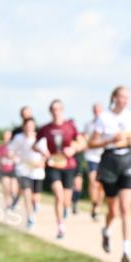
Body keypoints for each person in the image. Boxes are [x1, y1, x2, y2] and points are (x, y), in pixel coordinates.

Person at [89, 85, 131, 262]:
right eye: (121, 97)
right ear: (114, 98)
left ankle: (126, 250)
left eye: (127, 97)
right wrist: (110, 139)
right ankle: (107, 230)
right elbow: (92, 143)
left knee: (126, 208)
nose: (124, 100)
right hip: (109, 161)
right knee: (114, 210)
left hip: (127, 160)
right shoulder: (104, 118)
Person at [37, 99, 85, 239]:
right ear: (50, 111)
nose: (56, 112)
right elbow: (35, 144)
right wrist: (42, 152)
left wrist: (74, 148)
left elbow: (82, 142)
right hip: (53, 165)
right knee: (58, 195)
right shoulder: (45, 128)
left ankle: (66, 208)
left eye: (58, 109)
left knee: (66, 200)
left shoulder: (70, 126)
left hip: (69, 165)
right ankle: (60, 226)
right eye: (53, 109)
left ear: (62, 110)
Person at [9, 117, 47, 229]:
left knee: (35, 198)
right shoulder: (18, 138)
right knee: (26, 193)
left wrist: (42, 162)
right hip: (23, 170)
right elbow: (11, 151)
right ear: (24, 126)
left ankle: (34, 209)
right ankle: (30, 218)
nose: (29, 127)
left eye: (31, 125)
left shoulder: (40, 138)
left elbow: (46, 153)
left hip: (37, 171)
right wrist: (14, 157)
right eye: (27, 125)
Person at [82, 103, 105, 221]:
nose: (97, 112)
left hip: (103, 157)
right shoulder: (89, 124)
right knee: (93, 182)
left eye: (98, 109)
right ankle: (94, 203)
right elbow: (83, 136)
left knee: (101, 185)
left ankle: (98, 207)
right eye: (95, 110)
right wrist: (86, 143)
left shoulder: (107, 122)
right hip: (91, 156)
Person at [0, 130, 18, 208]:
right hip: (4, 170)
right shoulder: (1, 147)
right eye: (5, 136)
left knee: (13, 189)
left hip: (13, 169)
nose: (6, 138)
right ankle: (7, 204)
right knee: (6, 188)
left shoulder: (15, 147)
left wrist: (12, 157)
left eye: (8, 136)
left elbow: (18, 158)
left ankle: (14, 201)